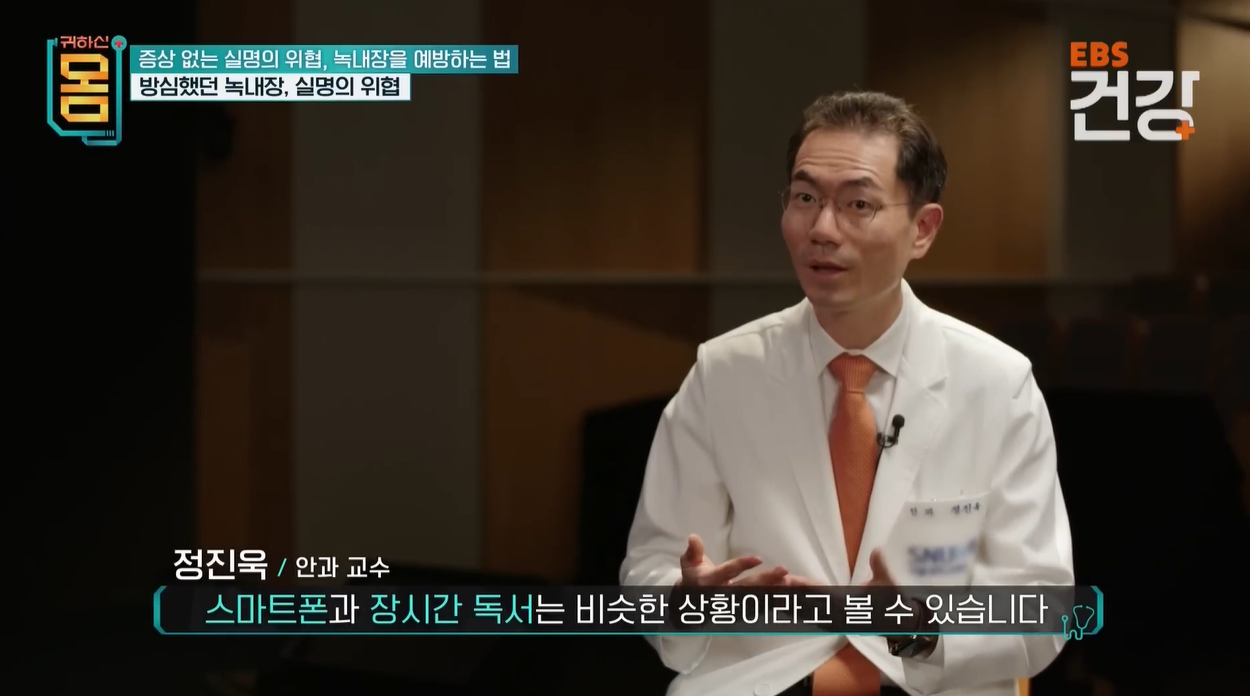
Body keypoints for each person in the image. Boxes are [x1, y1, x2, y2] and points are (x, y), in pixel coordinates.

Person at [620, 91, 1073, 696]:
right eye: (805, 199)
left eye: (858, 204)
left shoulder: (997, 384)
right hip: (761, 680)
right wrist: (687, 601)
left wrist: (919, 628)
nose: (822, 230)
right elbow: (650, 569)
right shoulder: (722, 373)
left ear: (922, 229)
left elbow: (1043, 605)